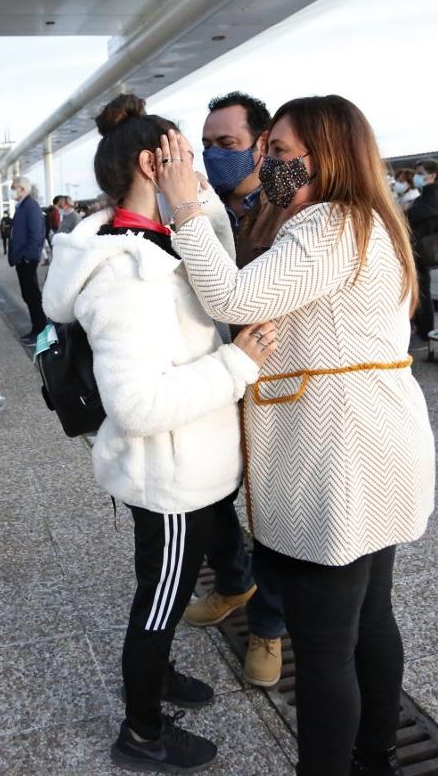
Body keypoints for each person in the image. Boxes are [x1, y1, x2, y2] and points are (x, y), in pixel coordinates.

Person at [163, 95, 436, 776]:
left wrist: (186, 209)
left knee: (323, 649)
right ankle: (376, 757)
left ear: (328, 156)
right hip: (376, 439)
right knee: (371, 617)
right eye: (268, 153)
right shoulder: (374, 220)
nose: (268, 165)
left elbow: (230, 298)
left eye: (280, 154)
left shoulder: (327, 226)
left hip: (337, 454)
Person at [43, 94, 276, 774]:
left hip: (192, 464)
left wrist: (191, 206)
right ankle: (141, 732)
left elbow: (223, 270)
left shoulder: (156, 240)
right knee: (158, 600)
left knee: (164, 593)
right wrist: (239, 363)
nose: (202, 167)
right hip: (167, 471)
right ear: (153, 162)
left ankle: (160, 676)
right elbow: (138, 403)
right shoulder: (125, 270)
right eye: (186, 155)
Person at [183, 89, 287, 689]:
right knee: (215, 494)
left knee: (269, 507)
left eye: (228, 144)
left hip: (277, 383)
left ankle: (268, 628)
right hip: (220, 377)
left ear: (262, 146)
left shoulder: (289, 205)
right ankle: (231, 581)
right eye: (208, 145)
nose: (215, 156)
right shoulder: (206, 207)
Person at [406, 159, 438, 347]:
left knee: (422, 290)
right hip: (419, 246)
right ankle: (421, 329)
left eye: (420, 173)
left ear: (432, 175)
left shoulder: (433, 194)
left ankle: (425, 331)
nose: (417, 176)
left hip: (422, 247)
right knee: (419, 289)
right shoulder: (427, 193)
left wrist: (406, 212)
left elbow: (418, 214)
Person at [7, 176, 47, 345]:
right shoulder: (23, 206)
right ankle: (37, 328)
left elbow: (36, 235)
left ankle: (40, 330)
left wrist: (27, 257)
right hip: (22, 259)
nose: (11, 190)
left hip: (27, 260)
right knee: (28, 294)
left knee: (32, 295)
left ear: (22, 189)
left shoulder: (31, 206)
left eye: (13, 187)